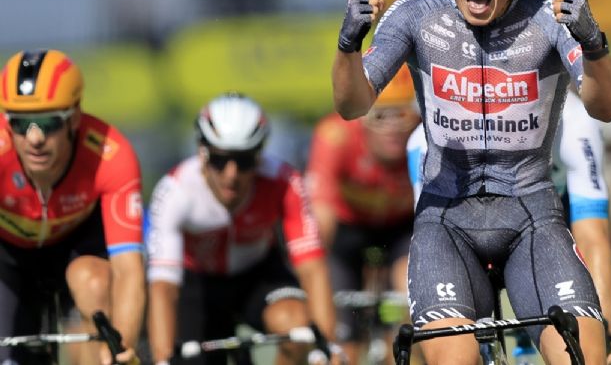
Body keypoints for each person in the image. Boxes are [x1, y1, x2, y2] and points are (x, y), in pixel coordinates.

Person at [332, 0, 611, 365]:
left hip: (531, 214)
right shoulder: (414, 16)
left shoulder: (550, 18)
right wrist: (347, 49)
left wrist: (595, 44)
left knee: (584, 357)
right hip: (446, 218)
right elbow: (352, 105)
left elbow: (605, 106)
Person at [408, 88, 611, 363]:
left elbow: (592, 235)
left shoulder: (575, 120)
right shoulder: (425, 139)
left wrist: (608, 333)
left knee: (583, 350)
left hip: (551, 220)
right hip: (462, 226)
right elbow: (427, 246)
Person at [146, 93, 337, 365]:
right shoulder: (175, 191)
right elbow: (163, 287)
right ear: (202, 152)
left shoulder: (285, 182)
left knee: (297, 329)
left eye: (244, 160)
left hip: (256, 275)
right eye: (220, 159)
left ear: (259, 155)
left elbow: (312, 267)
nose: (231, 174)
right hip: (197, 283)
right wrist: (163, 359)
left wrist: (326, 347)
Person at [0, 49, 145, 365]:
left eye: (49, 122)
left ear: (75, 116)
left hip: (76, 246)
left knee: (93, 284)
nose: (35, 138)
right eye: (21, 124)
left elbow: (128, 269)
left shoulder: (111, 153)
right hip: (9, 254)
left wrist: (123, 348)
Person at [305, 67, 419, 365]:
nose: (393, 127)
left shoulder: (426, 134)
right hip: (347, 230)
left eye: (402, 114)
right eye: (380, 116)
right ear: (361, 118)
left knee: (410, 300)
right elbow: (321, 222)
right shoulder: (335, 136)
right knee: (342, 347)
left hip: (401, 229)